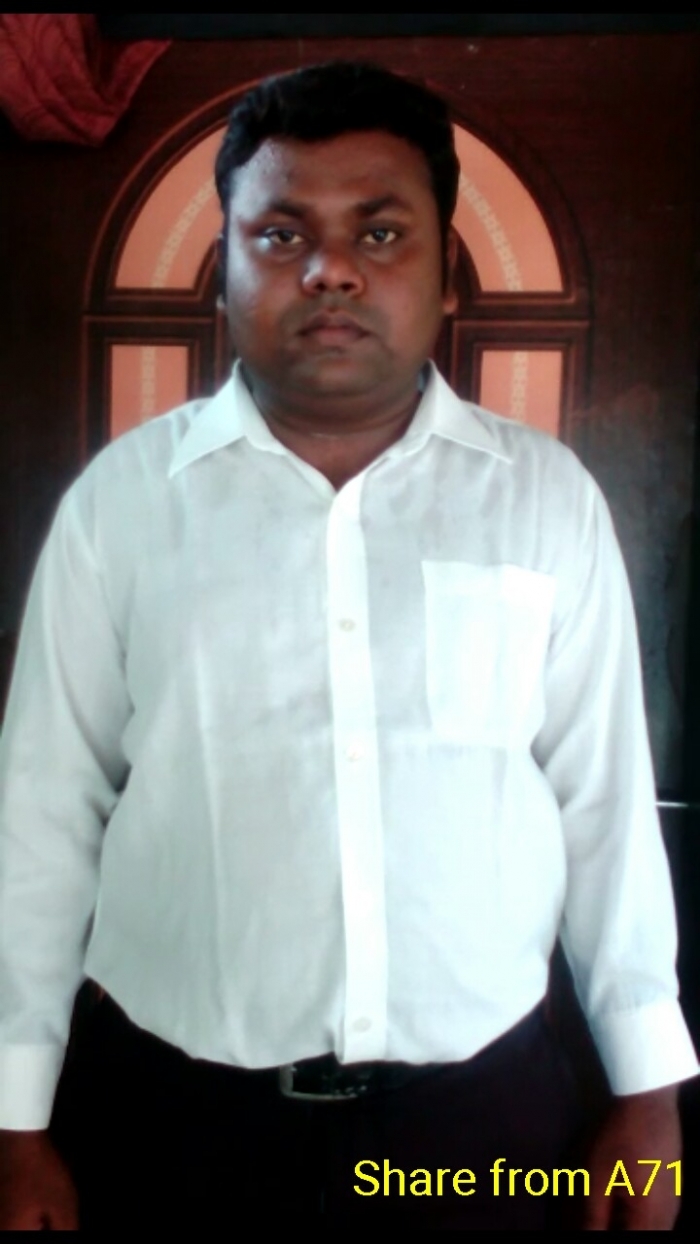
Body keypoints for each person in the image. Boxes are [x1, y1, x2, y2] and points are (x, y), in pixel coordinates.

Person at [0, 61, 697, 1231]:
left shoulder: (545, 501)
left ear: (443, 273)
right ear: (223, 265)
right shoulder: (119, 505)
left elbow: (604, 808)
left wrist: (649, 1090)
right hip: (173, 1119)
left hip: (482, 1121)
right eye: (280, 234)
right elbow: (43, 817)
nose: (330, 269)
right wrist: (14, 1117)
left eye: (379, 230)